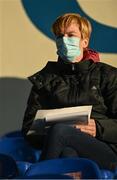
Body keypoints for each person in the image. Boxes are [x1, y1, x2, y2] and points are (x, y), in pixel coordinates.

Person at [22, 13, 117, 170]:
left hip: (105, 151)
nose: (64, 40)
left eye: (71, 35)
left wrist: (98, 127)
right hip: (63, 149)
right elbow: (28, 130)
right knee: (67, 153)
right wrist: (46, 131)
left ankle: (40, 175)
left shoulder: (108, 75)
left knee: (60, 131)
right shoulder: (44, 80)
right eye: (60, 36)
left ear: (84, 41)